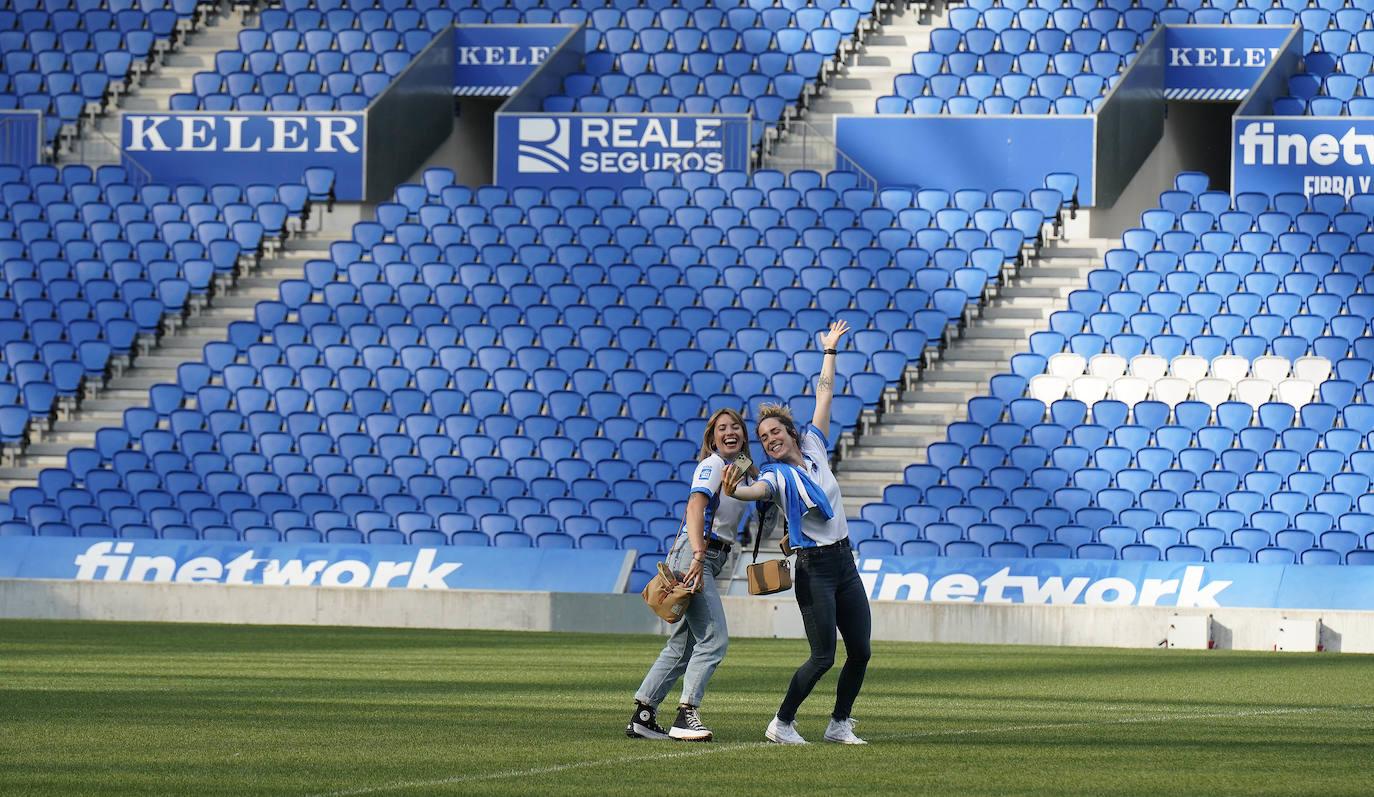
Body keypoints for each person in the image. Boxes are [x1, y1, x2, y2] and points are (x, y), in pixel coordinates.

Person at [722, 319, 872, 745]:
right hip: (815, 571)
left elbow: (824, 394)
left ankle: (839, 723)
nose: (769, 439)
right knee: (823, 656)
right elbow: (756, 489)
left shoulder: (813, 448)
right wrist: (738, 488)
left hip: (845, 563)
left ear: (790, 431)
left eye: (775, 432)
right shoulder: (776, 477)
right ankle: (781, 723)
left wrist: (829, 351)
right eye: (763, 437)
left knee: (860, 652)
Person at [626, 407, 759, 742]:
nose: (730, 432)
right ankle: (687, 714)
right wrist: (698, 557)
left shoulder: (742, 469)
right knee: (714, 639)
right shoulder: (712, 464)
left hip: (713, 556)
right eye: (722, 428)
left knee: (683, 645)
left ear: (744, 435)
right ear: (712, 438)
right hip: (698, 553)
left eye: (736, 428)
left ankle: (643, 715)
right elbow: (695, 507)